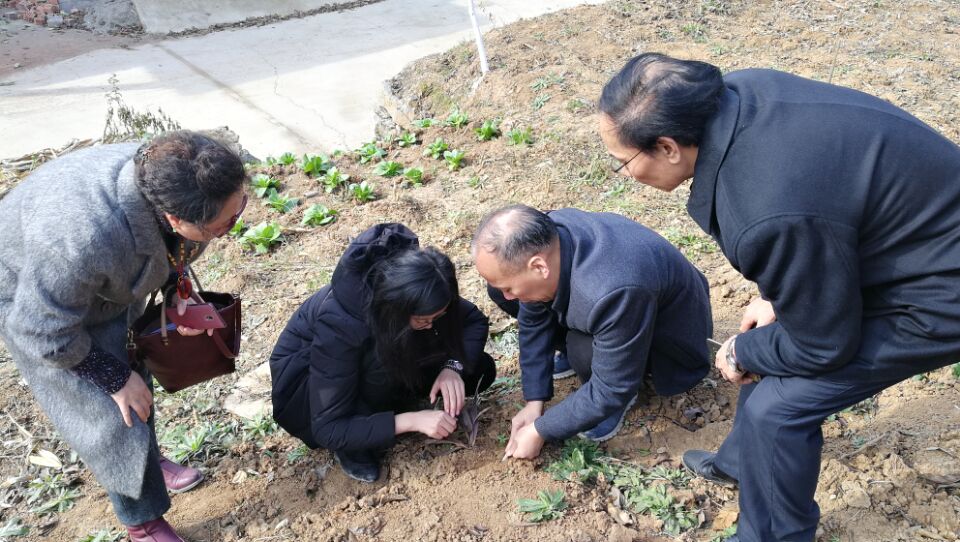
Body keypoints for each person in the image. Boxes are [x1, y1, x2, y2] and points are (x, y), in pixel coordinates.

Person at [598, 52, 960, 542]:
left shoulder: (764, 206)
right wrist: (776, 297)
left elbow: (822, 345)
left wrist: (741, 352)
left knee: (779, 408)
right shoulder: (739, 94)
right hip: (905, 238)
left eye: (623, 163)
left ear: (667, 147)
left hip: (940, 289)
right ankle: (741, 464)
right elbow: (817, 206)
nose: (625, 174)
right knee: (768, 335)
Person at [0, 131, 248, 542]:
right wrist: (113, 378)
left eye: (240, 208)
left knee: (136, 373)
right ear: (175, 219)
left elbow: (172, 249)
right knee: (113, 413)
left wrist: (177, 290)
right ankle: (142, 522)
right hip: (33, 299)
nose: (233, 225)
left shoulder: (176, 174)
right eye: (224, 225)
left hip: (99, 280)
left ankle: (148, 461)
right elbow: (41, 330)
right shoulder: (81, 238)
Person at [472, 205, 712, 459]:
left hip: (670, 342)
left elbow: (611, 386)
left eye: (510, 287)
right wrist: (535, 400)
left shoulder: (612, 291)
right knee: (506, 292)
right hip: (622, 311)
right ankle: (584, 354)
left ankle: (621, 398)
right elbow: (532, 317)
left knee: (582, 350)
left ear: (539, 267)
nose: (507, 296)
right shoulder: (545, 237)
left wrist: (540, 430)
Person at [269, 223, 496, 483]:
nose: (431, 325)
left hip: (388, 352)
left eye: (437, 316)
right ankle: (356, 442)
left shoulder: (420, 284)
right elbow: (328, 428)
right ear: (396, 309)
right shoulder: (340, 324)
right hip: (310, 392)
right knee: (380, 366)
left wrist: (452, 368)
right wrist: (410, 421)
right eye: (424, 320)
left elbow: (474, 321)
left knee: (479, 369)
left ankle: (397, 401)